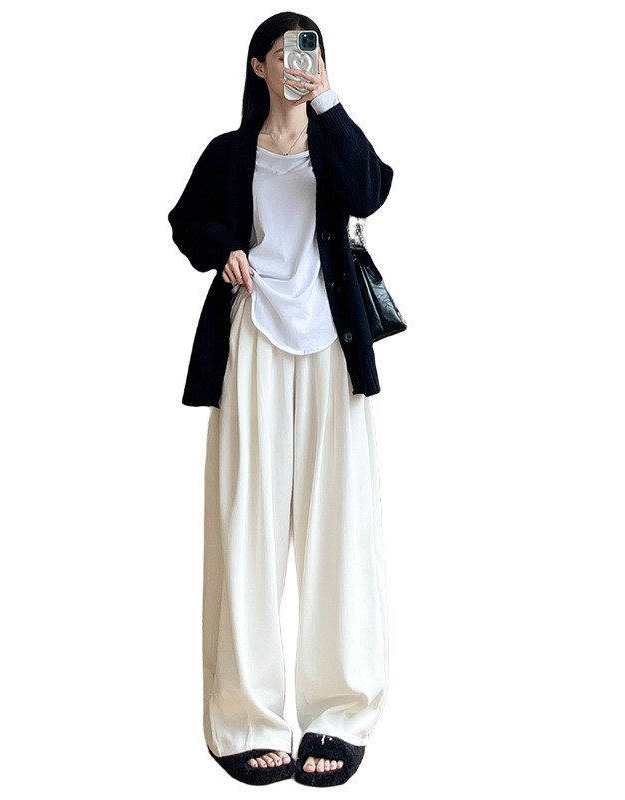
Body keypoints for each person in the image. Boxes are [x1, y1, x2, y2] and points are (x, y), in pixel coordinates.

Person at [167, 11, 393, 787]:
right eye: (287, 53)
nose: (301, 63)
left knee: (340, 532)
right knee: (247, 529)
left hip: (333, 346)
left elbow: (370, 191)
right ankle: (245, 718)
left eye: (313, 52)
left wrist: (328, 102)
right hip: (254, 341)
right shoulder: (230, 152)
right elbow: (187, 222)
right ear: (258, 65)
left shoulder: (334, 143)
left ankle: (340, 712)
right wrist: (222, 247)